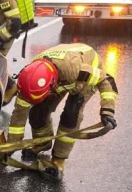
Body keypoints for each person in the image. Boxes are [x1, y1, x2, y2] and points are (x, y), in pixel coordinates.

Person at [6, 43, 118, 181]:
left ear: (52, 85)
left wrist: (107, 110)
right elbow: (18, 117)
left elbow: (106, 79)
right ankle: (42, 143)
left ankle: (59, 158)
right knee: (37, 112)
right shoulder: (28, 80)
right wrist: (11, 145)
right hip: (58, 75)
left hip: (83, 76)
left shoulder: (78, 70)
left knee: (71, 114)